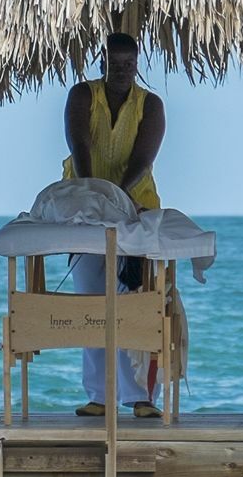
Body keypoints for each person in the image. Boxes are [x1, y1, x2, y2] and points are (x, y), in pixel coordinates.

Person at [61, 31, 167, 418]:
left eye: (129, 65)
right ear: (102, 63)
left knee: (129, 304)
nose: (122, 71)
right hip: (85, 209)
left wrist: (115, 197)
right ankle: (98, 396)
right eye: (115, 64)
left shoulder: (150, 104)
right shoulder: (82, 95)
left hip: (134, 208)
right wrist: (95, 194)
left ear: (137, 65)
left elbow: (143, 159)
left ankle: (139, 397)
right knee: (92, 303)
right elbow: (80, 145)